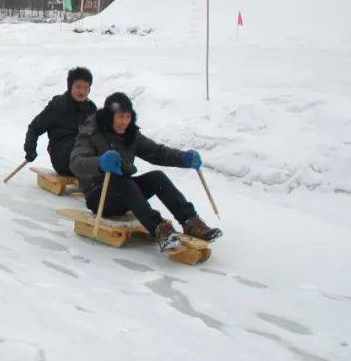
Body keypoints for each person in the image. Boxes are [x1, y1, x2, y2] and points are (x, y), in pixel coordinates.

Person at [69, 92, 221, 252]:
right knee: (121, 181)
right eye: (120, 117)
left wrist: (184, 158)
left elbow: (156, 152)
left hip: (125, 190)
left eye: (127, 117)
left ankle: (190, 221)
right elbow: (76, 162)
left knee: (157, 177)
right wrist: (100, 163)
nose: (124, 122)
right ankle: (159, 229)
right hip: (99, 195)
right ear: (109, 115)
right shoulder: (91, 133)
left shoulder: (130, 133)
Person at [23, 67, 97, 177]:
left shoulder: (91, 108)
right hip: (62, 157)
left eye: (86, 88)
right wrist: (30, 150)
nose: (82, 91)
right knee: (81, 141)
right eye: (78, 87)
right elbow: (34, 128)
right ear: (70, 86)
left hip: (84, 156)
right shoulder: (58, 106)